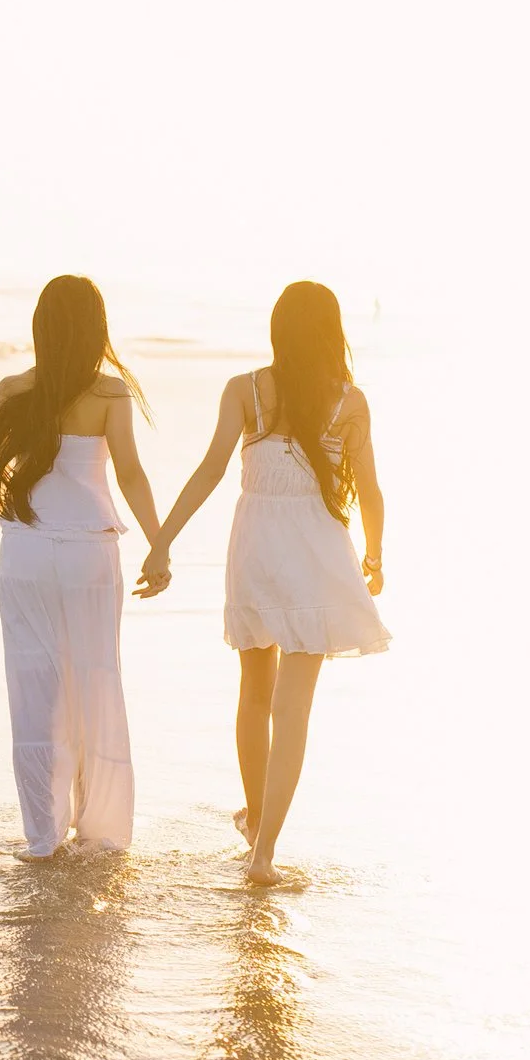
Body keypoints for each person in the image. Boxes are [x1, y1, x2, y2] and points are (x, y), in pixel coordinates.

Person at [137, 281, 387, 885]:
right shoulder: (348, 401)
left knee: (254, 691)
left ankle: (255, 821)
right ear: (332, 332)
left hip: (255, 548)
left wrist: (162, 541)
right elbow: (371, 490)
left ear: (277, 329)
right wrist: (376, 556)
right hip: (316, 553)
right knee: (293, 707)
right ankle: (264, 851)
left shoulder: (245, 390)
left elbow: (210, 470)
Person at [0, 275, 163, 859]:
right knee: (96, 683)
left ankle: (42, 836)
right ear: (95, 329)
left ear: (41, 326)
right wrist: (159, 545)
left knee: (36, 690)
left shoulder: (14, 390)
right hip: (88, 552)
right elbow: (129, 475)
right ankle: (100, 830)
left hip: (27, 554)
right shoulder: (110, 394)